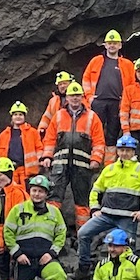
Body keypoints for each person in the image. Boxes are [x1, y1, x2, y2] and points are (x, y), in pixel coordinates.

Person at [76, 134, 140, 280]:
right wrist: (94, 209)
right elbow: (96, 190)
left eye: (128, 150)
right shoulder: (109, 169)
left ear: (134, 152)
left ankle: (131, 279)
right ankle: (83, 270)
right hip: (106, 215)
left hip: (127, 217)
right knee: (83, 233)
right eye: (122, 150)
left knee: (129, 250)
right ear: (117, 151)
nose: (124, 153)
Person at [3, 175, 69, 280]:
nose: (37, 194)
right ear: (29, 191)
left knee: (58, 275)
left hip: (45, 258)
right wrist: (17, 253)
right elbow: (8, 232)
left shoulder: (54, 213)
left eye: (40, 191)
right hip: (24, 259)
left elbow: (61, 234)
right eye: (34, 190)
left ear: (46, 194)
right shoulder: (18, 210)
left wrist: (51, 253)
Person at [41, 81, 105, 233]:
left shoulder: (92, 117)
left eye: (77, 95)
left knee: (82, 202)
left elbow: (99, 141)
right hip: (60, 165)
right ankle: (50, 233)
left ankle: (82, 235)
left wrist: (96, 159)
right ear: (66, 98)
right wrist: (47, 156)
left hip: (82, 167)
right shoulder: (58, 116)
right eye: (72, 95)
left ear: (82, 97)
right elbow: (49, 139)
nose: (75, 98)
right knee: (54, 199)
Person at [82, 29, 136, 166]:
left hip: (117, 103)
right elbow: (86, 79)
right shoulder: (96, 61)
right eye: (109, 43)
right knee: (95, 132)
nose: (112, 45)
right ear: (105, 45)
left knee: (112, 134)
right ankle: (93, 160)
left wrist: (127, 103)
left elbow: (132, 86)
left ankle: (109, 165)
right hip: (98, 102)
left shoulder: (128, 65)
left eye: (115, 43)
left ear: (120, 45)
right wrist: (89, 97)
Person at [0, 101, 43, 182]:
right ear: (12, 117)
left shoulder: (33, 132)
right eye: (15, 114)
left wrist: (38, 163)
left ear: (24, 116)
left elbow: (39, 148)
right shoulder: (4, 134)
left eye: (20, 114)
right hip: (9, 172)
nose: (18, 117)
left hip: (27, 172)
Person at [38, 71, 73, 138]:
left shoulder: (78, 98)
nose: (62, 86)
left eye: (65, 83)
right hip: (57, 134)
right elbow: (46, 117)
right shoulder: (53, 101)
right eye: (60, 84)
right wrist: (41, 129)